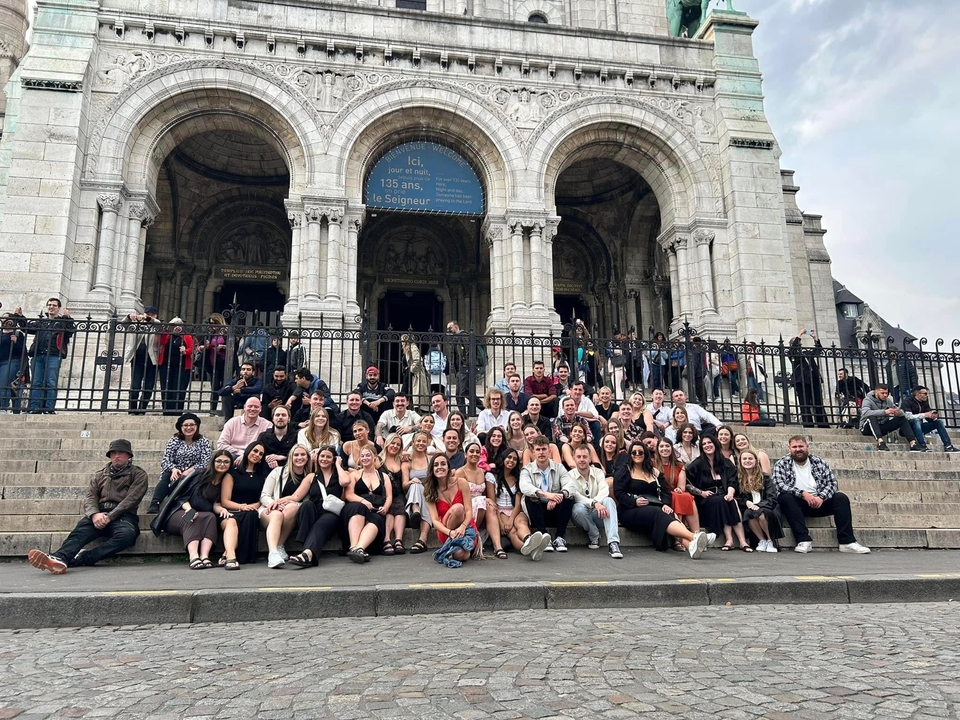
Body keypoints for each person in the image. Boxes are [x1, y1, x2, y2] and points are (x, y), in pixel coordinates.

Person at [27, 439, 147, 573]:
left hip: (124, 516)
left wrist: (110, 516)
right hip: (99, 513)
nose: (116, 456)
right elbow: (90, 497)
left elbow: (132, 499)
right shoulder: (100, 475)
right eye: (113, 453)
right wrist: (94, 514)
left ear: (129, 455)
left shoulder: (139, 474)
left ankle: (84, 558)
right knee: (80, 532)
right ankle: (59, 558)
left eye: (121, 453)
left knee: (126, 536)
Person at [771, 436, 871, 554]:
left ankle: (847, 542)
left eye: (801, 446)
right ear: (789, 449)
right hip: (796, 504)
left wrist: (821, 497)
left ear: (807, 447)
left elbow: (832, 483)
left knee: (841, 498)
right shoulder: (782, 463)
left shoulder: (819, 462)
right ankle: (803, 540)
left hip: (819, 501)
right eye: (794, 447)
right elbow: (779, 485)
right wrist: (803, 494)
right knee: (785, 497)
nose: (798, 449)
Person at [614, 441, 708, 559]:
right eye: (633, 452)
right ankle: (693, 536)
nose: (637, 454)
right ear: (630, 454)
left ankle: (690, 546)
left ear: (645, 454)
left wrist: (665, 504)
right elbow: (618, 492)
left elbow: (665, 492)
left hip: (653, 506)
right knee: (657, 513)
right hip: (630, 510)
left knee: (669, 513)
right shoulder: (625, 470)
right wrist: (634, 501)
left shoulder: (654, 472)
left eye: (640, 452)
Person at [156, 450, 230, 569]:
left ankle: (204, 556)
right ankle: (193, 556)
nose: (222, 464)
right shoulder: (200, 475)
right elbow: (181, 496)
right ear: (213, 462)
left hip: (202, 514)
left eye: (226, 462)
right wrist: (189, 510)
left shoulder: (225, 481)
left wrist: (222, 509)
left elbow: (215, 504)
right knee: (192, 518)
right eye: (219, 461)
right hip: (180, 511)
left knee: (210, 517)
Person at [685, 435, 749, 552]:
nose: (707, 446)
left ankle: (741, 541)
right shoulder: (697, 464)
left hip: (724, 495)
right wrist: (701, 492)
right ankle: (730, 539)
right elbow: (687, 483)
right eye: (704, 444)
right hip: (705, 499)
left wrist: (730, 493)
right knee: (721, 501)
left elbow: (732, 480)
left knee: (731, 501)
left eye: (709, 443)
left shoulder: (726, 462)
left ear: (715, 444)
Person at [287, 446, 348, 567]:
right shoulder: (311, 476)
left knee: (322, 523)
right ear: (317, 458)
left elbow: (345, 482)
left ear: (334, 459)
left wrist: (338, 465)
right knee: (307, 504)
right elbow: (295, 497)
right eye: (322, 456)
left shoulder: (341, 474)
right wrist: (277, 501)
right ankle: (307, 551)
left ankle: (307, 554)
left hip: (331, 513)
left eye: (328, 457)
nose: (324, 459)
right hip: (314, 511)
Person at [519, 434, 577, 552]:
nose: (541, 452)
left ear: (549, 451)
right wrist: (546, 494)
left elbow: (571, 485)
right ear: (533, 452)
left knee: (569, 497)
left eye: (544, 449)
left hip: (554, 510)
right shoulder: (527, 470)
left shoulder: (559, 467)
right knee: (530, 497)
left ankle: (560, 537)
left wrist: (558, 496)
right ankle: (544, 536)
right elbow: (524, 487)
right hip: (537, 511)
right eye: (538, 450)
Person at [260, 444, 314, 568]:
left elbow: (305, 500)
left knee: (293, 507)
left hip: (291, 512)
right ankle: (273, 553)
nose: (299, 457)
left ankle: (279, 545)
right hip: (270, 510)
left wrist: (290, 504)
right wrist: (273, 504)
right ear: (290, 457)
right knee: (277, 515)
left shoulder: (310, 477)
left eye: (302, 455)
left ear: (307, 458)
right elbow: (264, 495)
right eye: (296, 455)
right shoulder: (278, 471)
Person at [148, 412, 212, 514]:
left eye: (192, 425)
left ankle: (178, 501)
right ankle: (155, 503)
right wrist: (174, 469)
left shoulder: (203, 441)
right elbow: (166, 459)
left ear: (197, 426)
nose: (189, 427)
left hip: (195, 472)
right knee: (167, 476)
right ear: (180, 427)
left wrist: (189, 471)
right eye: (185, 425)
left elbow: (206, 460)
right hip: (175, 471)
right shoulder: (174, 440)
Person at [220, 441, 270, 567]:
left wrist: (256, 505)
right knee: (240, 518)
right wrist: (242, 507)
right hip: (231, 512)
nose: (257, 455)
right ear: (248, 451)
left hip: (251, 511)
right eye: (255, 451)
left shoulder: (262, 476)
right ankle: (230, 553)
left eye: (261, 454)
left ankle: (231, 554)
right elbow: (225, 501)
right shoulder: (232, 473)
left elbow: (263, 496)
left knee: (251, 514)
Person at [21, 298, 76, 414]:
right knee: (36, 382)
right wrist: (20, 317)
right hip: (38, 354)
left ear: (58, 308)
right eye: (49, 305)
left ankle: (48, 408)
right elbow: (26, 327)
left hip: (54, 355)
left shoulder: (62, 322)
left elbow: (71, 330)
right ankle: (34, 407)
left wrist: (68, 318)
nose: (51, 307)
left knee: (51, 381)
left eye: (54, 305)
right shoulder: (42, 322)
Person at [454, 441, 507, 558]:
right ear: (465, 454)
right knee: (482, 502)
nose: (475, 454)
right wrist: (483, 499)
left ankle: (498, 547)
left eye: (477, 452)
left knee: (491, 507)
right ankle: (473, 536)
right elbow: (456, 495)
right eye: (471, 451)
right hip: (465, 505)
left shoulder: (482, 472)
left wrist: (485, 499)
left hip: (480, 507)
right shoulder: (460, 472)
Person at [424, 454, 477, 567]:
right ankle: (454, 543)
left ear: (448, 467)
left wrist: (462, 527)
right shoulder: (430, 489)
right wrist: (450, 532)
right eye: (436, 465)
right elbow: (435, 521)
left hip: (466, 526)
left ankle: (459, 548)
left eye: (443, 464)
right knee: (458, 508)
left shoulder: (461, 482)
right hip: (446, 530)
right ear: (432, 469)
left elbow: (468, 511)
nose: (440, 467)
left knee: (459, 555)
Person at [569, 444, 622, 558]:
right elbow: (576, 496)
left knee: (609, 501)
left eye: (585, 456)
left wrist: (597, 502)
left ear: (590, 458)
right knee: (577, 508)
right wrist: (595, 503)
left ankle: (613, 543)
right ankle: (594, 535)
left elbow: (604, 490)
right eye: (579, 457)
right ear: (574, 458)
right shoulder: (569, 475)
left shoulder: (598, 472)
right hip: (581, 517)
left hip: (598, 513)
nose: (582, 460)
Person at [341, 445, 391, 563]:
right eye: (362, 456)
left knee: (377, 519)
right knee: (359, 508)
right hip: (356, 506)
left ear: (374, 457)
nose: (365, 458)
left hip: (375, 509)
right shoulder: (354, 475)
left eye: (368, 455)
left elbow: (389, 496)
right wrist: (363, 501)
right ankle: (353, 546)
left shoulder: (383, 476)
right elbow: (349, 495)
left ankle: (360, 548)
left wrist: (385, 507)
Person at [736, 449, 781, 553]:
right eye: (745, 459)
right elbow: (739, 497)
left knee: (760, 513)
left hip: (768, 507)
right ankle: (762, 540)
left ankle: (770, 540)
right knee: (748, 513)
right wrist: (746, 502)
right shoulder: (739, 478)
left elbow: (772, 497)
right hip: (751, 507)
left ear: (756, 461)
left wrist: (758, 505)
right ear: (741, 462)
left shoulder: (764, 477)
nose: (747, 461)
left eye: (750, 458)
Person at [122, 306, 161, 415]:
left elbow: (160, 325)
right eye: (147, 314)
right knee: (135, 386)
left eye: (151, 314)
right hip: (137, 360)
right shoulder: (136, 325)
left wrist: (149, 320)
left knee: (148, 387)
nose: (149, 316)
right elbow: (123, 325)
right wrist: (129, 317)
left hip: (152, 360)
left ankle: (142, 409)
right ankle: (132, 409)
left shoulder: (155, 326)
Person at [859, 383, 920, 451]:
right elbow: (865, 413)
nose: (885, 395)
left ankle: (913, 443)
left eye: (886, 393)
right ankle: (880, 442)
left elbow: (901, 412)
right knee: (871, 417)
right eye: (882, 393)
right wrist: (884, 412)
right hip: (867, 428)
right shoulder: (867, 400)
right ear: (876, 392)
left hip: (882, 426)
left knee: (901, 418)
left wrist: (898, 412)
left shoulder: (887, 400)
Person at [788, 329, 829, 427]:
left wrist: (815, 339)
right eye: (796, 343)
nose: (799, 345)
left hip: (813, 379)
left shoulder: (806, 353)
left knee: (818, 402)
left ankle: (822, 423)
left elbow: (818, 351)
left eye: (799, 343)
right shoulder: (792, 354)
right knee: (805, 403)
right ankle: (808, 424)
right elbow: (792, 350)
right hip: (801, 380)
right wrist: (799, 335)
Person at [402, 430, 434, 554]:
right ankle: (423, 538)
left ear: (427, 443)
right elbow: (405, 485)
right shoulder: (407, 462)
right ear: (413, 443)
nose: (421, 443)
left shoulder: (430, 460)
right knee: (415, 485)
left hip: (428, 494)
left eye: (424, 441)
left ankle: (417, 515)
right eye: (418, 441)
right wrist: (411, 482)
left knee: (425, 495)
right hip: (411, 494)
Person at [901, 386, 957, 452]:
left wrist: (933, 416)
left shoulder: (924, 402)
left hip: (919, 428)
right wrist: (924, 415)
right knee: (916, 421)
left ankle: (948, 445)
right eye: (925, 393)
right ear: (917, 394)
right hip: (907, 429)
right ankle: (922, 445)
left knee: (938, 422)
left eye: (927, 394)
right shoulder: (907, 401)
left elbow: (928, 415)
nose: (927, 395)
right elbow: (908, 417)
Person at [157, 318, 193, 415]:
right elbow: (161, 342)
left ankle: (177, 411)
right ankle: (166, 410)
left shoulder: (187, 337)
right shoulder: (167, 336)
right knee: (166, 388)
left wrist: (185, 351)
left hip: (182, 367)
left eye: (179, 325)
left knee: (179, 389)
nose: (176, 327)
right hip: (166, 367)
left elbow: (192, 349)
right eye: (174, 325)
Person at [446, 320, 483, 415]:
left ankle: (482, 407)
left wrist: (466, 365)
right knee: (458, 395)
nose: (449, 330)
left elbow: (468, 351)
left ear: (456, 327)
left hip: (465, 369)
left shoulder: (464, 336)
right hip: (459, 370)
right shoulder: (455, 339)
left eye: (450, 328)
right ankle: (463, 415)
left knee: (464, 391)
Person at [380, 434, 408, 555]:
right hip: (383, 495)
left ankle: (398, 540)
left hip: (399, 494)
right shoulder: (378, 460)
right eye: (393, 443)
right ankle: (386, 539)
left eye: (398, 444)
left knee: (400, 506)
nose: (395, 446)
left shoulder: (401, 460)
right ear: (387, 443)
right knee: (389, 509)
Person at [197, 314, 227, 414]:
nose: (213, 325)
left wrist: (223, 347)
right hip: (212, 364)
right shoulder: (210, 334)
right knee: (214, 387)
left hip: (225, 364)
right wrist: (203, 347)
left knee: (225, 387)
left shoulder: (226, 333)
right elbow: (200, 346)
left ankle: (225, 410)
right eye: (211, 323)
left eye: (215, 323)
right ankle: (212, 410)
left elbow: (234, 346)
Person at [0, 312, 26, 414]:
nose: (5, 320)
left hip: (11, 361)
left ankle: (3, 407)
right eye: (3, 318)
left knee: (3, 384)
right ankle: (13, 404)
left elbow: (23, 351)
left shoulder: (18, 334)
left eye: (7, 318)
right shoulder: (1, 333)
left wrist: (15, 342)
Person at [400, 334, 429, 410]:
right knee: (406, 392)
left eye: (403, 340)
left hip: (414, 374)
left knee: (406, 392)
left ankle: (413, 408)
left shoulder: (413, 347)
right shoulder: (408, 348)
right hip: (409, 374)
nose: (401, 342)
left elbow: (418, 360)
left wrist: (411, 370)